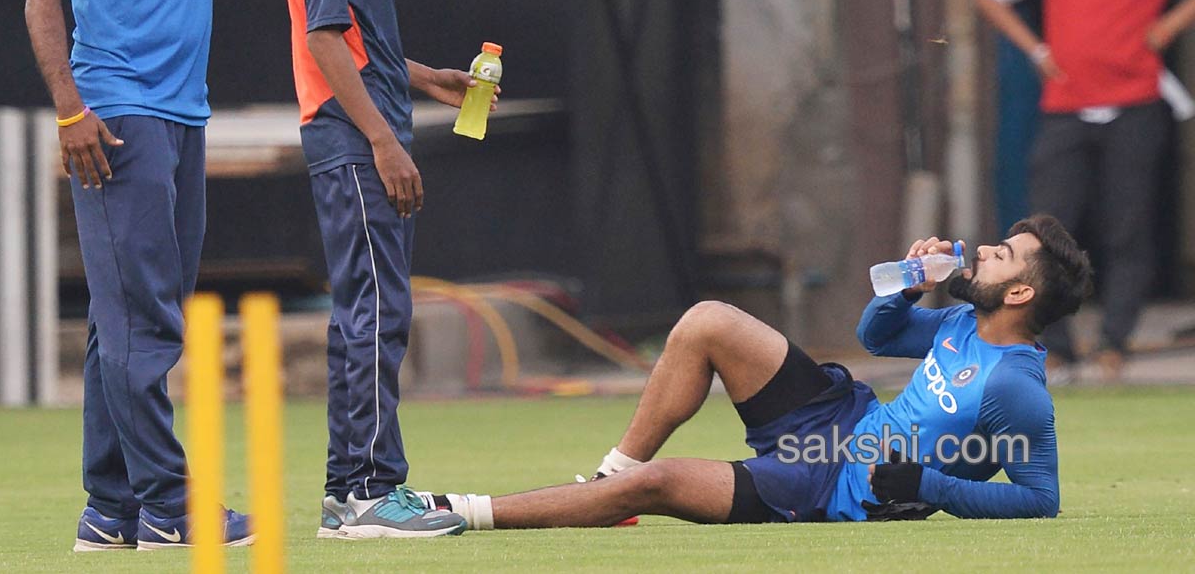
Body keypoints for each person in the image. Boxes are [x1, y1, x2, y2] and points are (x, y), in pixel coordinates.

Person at [25, 0, 303, 551]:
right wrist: (72, 110)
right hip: (114, 116)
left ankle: (109, 511)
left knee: (137, 318)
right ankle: (170, 505)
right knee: (143, 320)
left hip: (183, 114)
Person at [425, 215, 1091, 529]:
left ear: (1022, 295)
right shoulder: (962, 322)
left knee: (664, 483)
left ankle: (455, 513)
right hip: (842, 418)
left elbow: (1042, 500)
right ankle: (609, 485)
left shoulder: (1015, 387)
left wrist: (929, 486)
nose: (982, 252)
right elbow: (876, 334)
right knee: (709, 320)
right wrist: (908, 286)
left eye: (1000, 256)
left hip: (835, 482)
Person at [280, 0, 495, 539]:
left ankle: (351, 492)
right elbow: (325, 41)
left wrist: (429, 78)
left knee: (370, 311)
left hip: (360, 130)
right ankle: (369, 492)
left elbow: (358, 41)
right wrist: (382, 140)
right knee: (374, 310)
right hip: (350, 140)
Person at [974, 0, 1195, 382]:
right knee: (1045, 231)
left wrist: (1171, 21)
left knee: (1128, 227)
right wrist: (1035, 48)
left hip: (1137, 102)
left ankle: (1114, 342)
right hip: (1067, 104)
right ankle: (1057, 345)